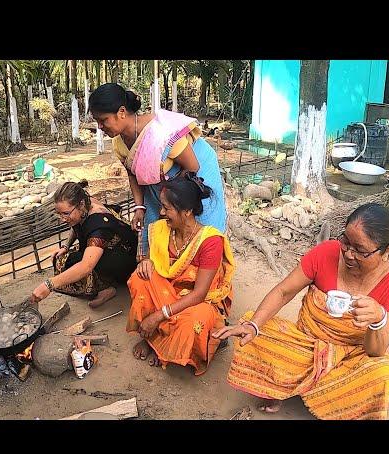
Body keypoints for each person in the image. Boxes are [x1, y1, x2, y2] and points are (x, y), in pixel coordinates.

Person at [213, 203, 389, 420]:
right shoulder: (326, 253)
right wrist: (254, 326)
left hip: (350, 358)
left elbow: (375, 351)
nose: (349, 254)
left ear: (387, 251)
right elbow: (283, 292)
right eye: (345, 242)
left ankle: (300, 385)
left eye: (360, 251)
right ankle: (283, 386)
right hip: (306, 345)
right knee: (252, 325)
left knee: (384, 373)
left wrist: (378, 320)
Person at [88, 83, 227, 262]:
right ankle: (165, 269)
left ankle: (204, 270)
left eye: (103, 120)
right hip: (160, 185)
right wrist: (139, 207)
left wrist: (171, 198)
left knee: (196, 222)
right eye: (97, 121)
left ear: (121, 112)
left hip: (193, 176)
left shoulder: (162, 133)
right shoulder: (119, 142)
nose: (99, 126)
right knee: (156, 226)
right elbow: (132, 174)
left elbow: (192, 167)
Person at [126, 173, 235, 375]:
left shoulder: (210, 241)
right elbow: (154, 262)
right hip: (168, 291)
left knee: (194, 320)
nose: (161, 212)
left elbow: (199, 294)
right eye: (162, 206)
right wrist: (147, 263)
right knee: (139, 280)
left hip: (198, 300)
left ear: (187, 212)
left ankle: (163, 342)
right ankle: (153, 340)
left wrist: (159, 315)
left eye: (167, 208)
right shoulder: (162, 229)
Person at [30, 180, 137, 307]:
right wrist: (66, 246)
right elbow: (76, 226)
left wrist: (48, 285)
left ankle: (106, 288)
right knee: (60, 259)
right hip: (108, 250)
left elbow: (86, 266)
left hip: (124, 259)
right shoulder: (85, 204)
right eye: (59, 213)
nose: (63, 219)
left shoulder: (99, 226)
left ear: (80, 204)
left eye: (66, 213)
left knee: (72, 265)